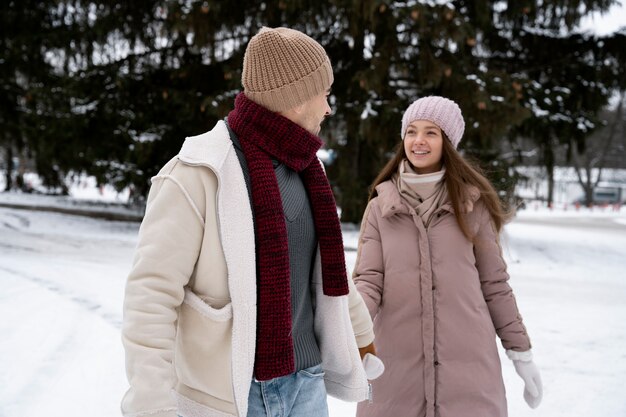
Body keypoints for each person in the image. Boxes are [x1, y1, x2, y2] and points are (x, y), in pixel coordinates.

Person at [121, 27, 376, 417]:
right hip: (232, 396)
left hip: (306, 384)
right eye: (323, 93)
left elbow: (328, 272)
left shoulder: (307, 169)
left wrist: (362, 336)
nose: (328, 108)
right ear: (293, 97)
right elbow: (150, 297)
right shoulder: (197, 172)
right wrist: (151, 404)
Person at [353, 96, 543, 417]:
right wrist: (350, 334)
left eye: (431, 132)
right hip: (396, 369)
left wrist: (520, 352)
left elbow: (495, 285)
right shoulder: (380, 208)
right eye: (411, 131)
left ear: (448, 142)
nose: (419, 141)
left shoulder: (473, 205)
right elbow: (368, 282)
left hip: (468, 369)